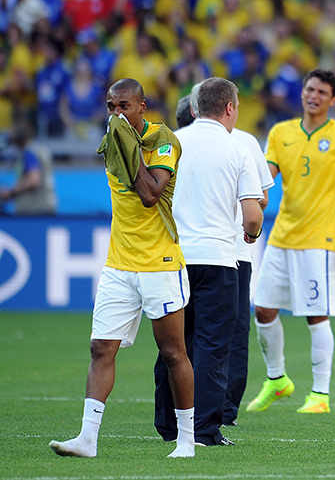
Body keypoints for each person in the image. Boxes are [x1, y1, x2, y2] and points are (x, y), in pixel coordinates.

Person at [49, 78, 195, 458]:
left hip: (160, 264)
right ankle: (87, 439)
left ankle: (186, 441)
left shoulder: (165, 141)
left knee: (173, 352)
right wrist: (123, 143)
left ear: (142, 108)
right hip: (119, 264)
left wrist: (131, 150)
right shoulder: (115, 141)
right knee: (101, 348)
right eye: (111, 107)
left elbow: (150, 195)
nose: (116, 114)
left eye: (124, 106)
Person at [246, 68, 335, 414]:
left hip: (320, 240)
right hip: (281, 237)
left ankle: (321, 395)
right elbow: (265, 182)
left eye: (322, 92)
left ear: (333, 100)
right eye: (309, 89)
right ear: (301, 92)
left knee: (316, 316)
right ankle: (277, 380)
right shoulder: (280, 133)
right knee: (264, 309)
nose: (314, 96)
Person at [153, 77, 264, 446]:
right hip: (217, 259)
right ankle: (203, 430)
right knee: (213, 344)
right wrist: (251, 234)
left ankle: (169, 425)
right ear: (230, 108)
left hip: (173, 257)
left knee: (173, 343)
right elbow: (252, 214)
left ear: (196, 107)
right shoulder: (237, 149)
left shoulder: (173, 142)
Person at [0, 121, 57, 215]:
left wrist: (11, 192)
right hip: (46, 207)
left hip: (34, 210)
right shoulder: (40, 150)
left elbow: (33, 180)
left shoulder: (29, 153)